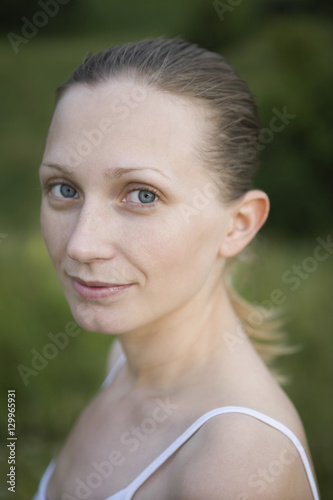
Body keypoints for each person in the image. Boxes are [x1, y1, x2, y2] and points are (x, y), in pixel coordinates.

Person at [33, 38, 319, 500]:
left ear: (238, 225)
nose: (82, 244)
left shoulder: (236, 465)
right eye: (64, 188)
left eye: (142, 195)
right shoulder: (124, 361)